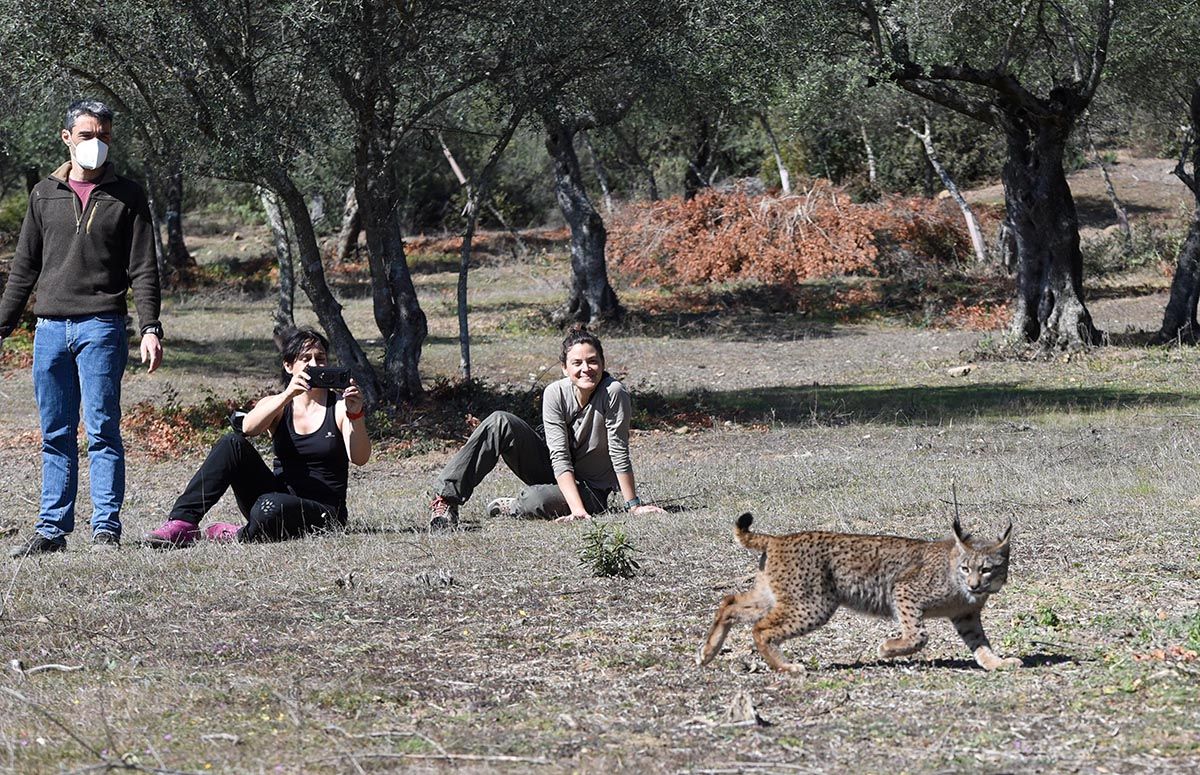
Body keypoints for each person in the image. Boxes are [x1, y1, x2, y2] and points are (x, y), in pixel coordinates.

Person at [2, 99, 163, 558]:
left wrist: (151, 326)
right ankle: (51, 528)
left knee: (102, 430)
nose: (97, 144)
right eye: (88, 135)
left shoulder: (128, 196)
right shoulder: (42, 194)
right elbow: (23, 269)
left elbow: (144, 270)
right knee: (55, 432)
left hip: (102, 327)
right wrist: (3, 322)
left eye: (105, 137)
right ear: (67, 137)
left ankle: (105, 528)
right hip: (49, 329)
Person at [144, 328, 370, 547]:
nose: (314, 365)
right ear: (289, 366)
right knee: (231, 443)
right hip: (276, 498)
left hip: (323, 511)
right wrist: (288, 395)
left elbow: (359, 458)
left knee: (269, 507)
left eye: (320, 358)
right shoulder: (278, 405)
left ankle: (238, 534)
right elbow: (248, 429)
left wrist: (356, 414)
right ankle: (182, 523)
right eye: (305, 358)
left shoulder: (340, 408)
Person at [428, 325, 665, 528]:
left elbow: (618, 450)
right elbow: (559, 454)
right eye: (577, 363)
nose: (586, 369)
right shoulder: (554, 392)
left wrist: (633, 506)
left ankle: (516, 505)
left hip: (591, 488)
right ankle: (446, 502)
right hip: (555, 469)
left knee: (535, 499)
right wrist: (575, 511)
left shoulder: (614, 393)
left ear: (603, 363)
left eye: (593, 361)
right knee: (500, 421)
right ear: (564, 367)